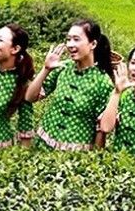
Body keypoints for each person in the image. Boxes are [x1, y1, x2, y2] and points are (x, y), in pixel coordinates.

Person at [24, 19, 115, 151]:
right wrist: (46, 69)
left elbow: (101, 128)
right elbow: (30, 97)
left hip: (75, 153)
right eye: (68, 39)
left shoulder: (103, 82)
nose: (70, 44)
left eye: (76, 39)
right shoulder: (62, 67)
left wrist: (96, 159)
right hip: (43, 143)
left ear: (93, 43)